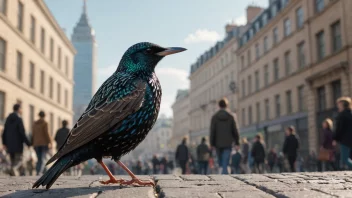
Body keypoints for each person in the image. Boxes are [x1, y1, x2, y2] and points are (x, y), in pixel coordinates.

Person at [210, 98, 239, 174]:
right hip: (228, 142)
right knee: (225, 162)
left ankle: (223, 174)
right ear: (227, 106)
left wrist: (212, 144)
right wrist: (237, 143)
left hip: (218, 143)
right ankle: (224, 174)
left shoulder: (215, 117)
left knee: (221, 163)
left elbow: (212, 131)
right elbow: (235, 131)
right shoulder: (231, 116)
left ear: (219, 106)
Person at [2, 104, 31, 176]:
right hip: (18, 144)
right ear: (18, 109)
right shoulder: (19, 119)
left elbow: (4, 132)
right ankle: (14, 169)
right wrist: (28, 143)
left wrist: (4, 143)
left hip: (9, 144)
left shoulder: (7, 119)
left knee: (12, 161)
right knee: (18, 161)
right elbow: (22, 132)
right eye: (21, 109)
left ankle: (12, 176)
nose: (22, 110)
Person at [333, 97, 352, 170]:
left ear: (343, 105)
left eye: (339, 104)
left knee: (345, 158)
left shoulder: (342, 115)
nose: (338, 105)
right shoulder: (350, 113)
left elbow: (339, 129)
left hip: (345, 140)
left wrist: (335, 138)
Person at [32, 111, 52, 175]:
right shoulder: (45, 123)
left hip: (36, 144)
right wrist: (50, 142)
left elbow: (33, 134)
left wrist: (33, 142)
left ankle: (40, 171)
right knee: (42, 159)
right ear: (44, 116)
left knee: (38, 159)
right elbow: (47, 133)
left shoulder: (35, 123)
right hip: (43, 144)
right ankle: (39, 172)